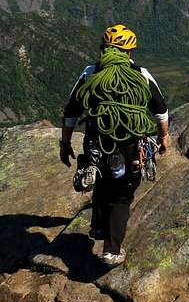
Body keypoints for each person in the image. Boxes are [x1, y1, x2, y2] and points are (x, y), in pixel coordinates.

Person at [59, 24, 170, 266]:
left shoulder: (90, 73)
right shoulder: (141, 74)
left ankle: (98, 227)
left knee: (102, 180)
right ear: (129, 52)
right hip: (131, 145)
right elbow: (160, 110)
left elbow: (71, 111)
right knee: (122, 195)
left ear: (105, 49)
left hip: (98, 141)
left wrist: (65, 143)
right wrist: (164, 138)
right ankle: (111, 250)